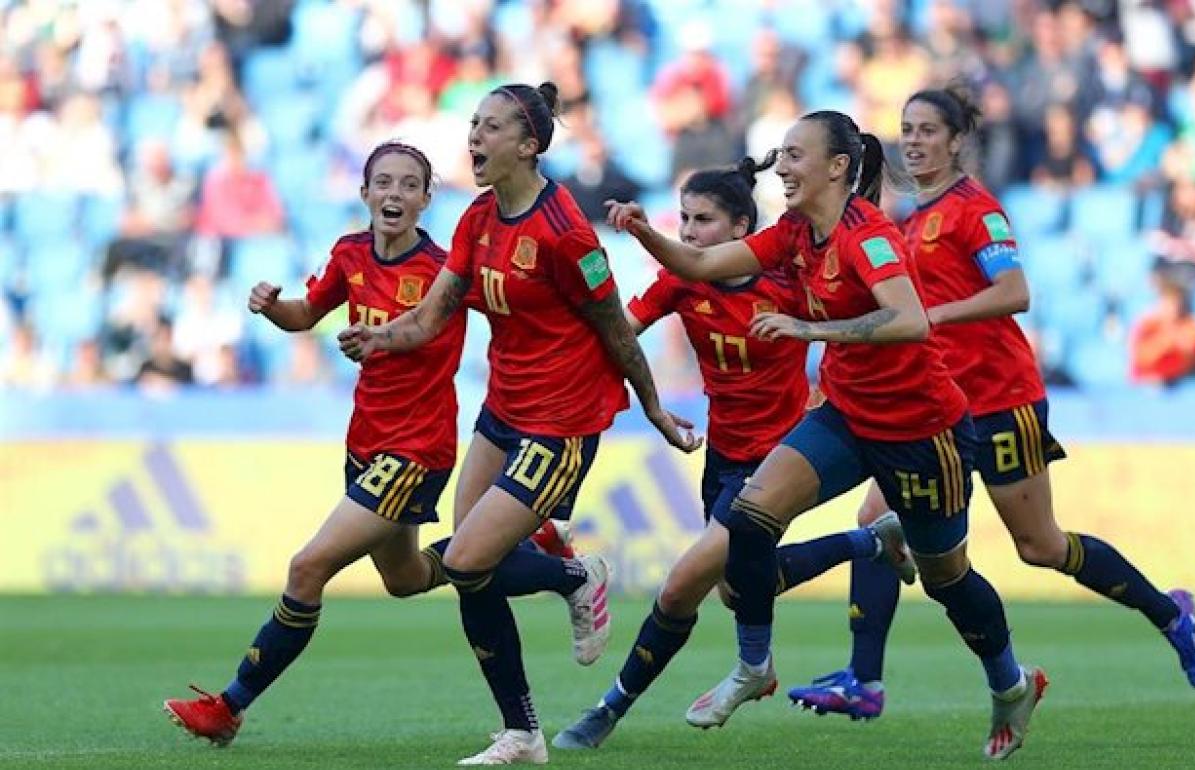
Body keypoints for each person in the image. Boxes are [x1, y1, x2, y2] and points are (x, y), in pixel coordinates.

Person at [599, 108, 1046, 760]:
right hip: (844, 415)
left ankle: (1010, 685)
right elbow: (697, 264)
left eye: (794, 154)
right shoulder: (793, 233)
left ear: (838, 166)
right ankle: (754, 667)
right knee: (749, 517)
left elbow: (911, 321)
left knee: (947, 579)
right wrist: (642, 232)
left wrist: (811, 333)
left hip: (922, 430)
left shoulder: (868, 237)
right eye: (780, 154)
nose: (781, 166)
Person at [787, 86, 1195, 724]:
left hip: (998, 399)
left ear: (958, 140)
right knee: (879, 523)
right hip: (929, 413)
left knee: (1039, 546)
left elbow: (1015, 292)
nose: (914, 139)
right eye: (907, 128)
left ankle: (1169, 611)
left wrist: (933, 316)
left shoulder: (976, 210)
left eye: (929, 129)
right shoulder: (899, 220)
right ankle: (863, 679)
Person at [161, 140, 599, 748]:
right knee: (408, 579)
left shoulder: (447, 271)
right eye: (382, 183)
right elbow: (306, 312)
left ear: (425, 198)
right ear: (365, 193)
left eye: (408, 184)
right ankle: (557, 568)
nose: (394, 193)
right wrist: (272, 308)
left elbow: (514, 307)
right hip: (366, 441)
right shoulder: (349, 253)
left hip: (417, 450)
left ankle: (229, 707)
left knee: (308, 566)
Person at [337, 82, 700, 766]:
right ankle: (523, 734)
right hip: (503, 410)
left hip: (563, 420)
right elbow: (434, 312)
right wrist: (380, 338)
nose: (474, 137)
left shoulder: (564, 234)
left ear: (528, 145)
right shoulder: (476, 218)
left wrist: (651, 406)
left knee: (469, 559)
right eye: (473, 124)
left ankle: (577, 577)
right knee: (468, 570)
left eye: (492, 127)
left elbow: (614, 328)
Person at [551, 160, 917, 751]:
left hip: (779, 454)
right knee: (741, 588)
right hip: (722, 455)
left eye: (704, 221)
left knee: (680, 586)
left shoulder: (783, 279)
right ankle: (872, 542)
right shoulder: (680, 281)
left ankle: (606, 711)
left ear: (741, 226)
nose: (690, 232)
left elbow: (853, 316)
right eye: (686, 220)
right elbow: (620, 334)